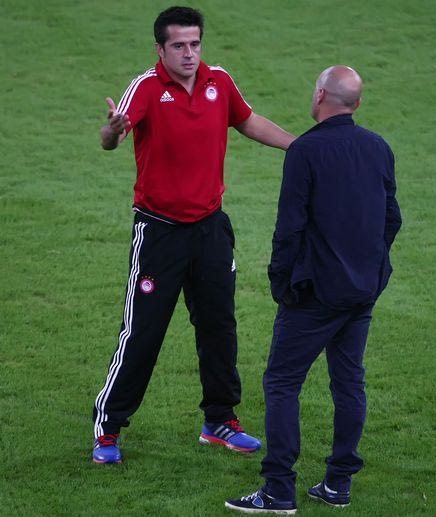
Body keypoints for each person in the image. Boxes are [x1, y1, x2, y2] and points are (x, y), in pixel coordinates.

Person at [92, 6, 295, 464]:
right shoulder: (146, 87)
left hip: (210, 230)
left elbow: (247, 120)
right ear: (160, 48)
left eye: (195, 44)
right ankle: (108, 429)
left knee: (219, 327)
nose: (189, 53)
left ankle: (219, 421)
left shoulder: (218, 81)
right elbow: (113, 137)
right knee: (142, 333)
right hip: (159, 233)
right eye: (179, 45)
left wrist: (297, 145)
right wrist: (111, 130)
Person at [225, 65, 402, 513]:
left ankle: (278, 490)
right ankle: (338, 484)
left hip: (314, 295)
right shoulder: (378, 147)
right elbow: (391, 218)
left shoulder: (305, 151)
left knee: (282, 382)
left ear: (321, 95)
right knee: (349, 382)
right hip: (362, 291)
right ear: (356, 103)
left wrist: (280, 282)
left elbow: (290, 227)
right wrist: (372, 270)